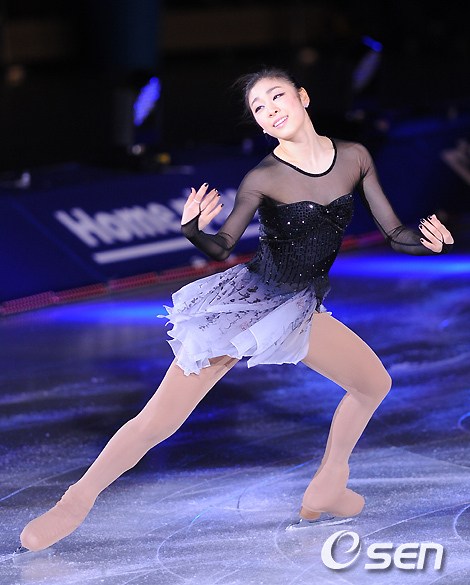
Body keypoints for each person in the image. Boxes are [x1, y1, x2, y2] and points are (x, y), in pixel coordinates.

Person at [19, 67, 454, 552]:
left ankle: (330, 483)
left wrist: (426, 243)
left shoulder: (354, 157)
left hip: (301, 307)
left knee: (373, 383)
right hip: (249, 305)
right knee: (160, 421)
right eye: (260, 109)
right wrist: (192, 229)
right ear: (262, 125)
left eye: (277, 97)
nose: (271, 110)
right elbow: (222, 246)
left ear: (303, 97)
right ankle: (73, 503)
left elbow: (394, 232)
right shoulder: (264, 176)